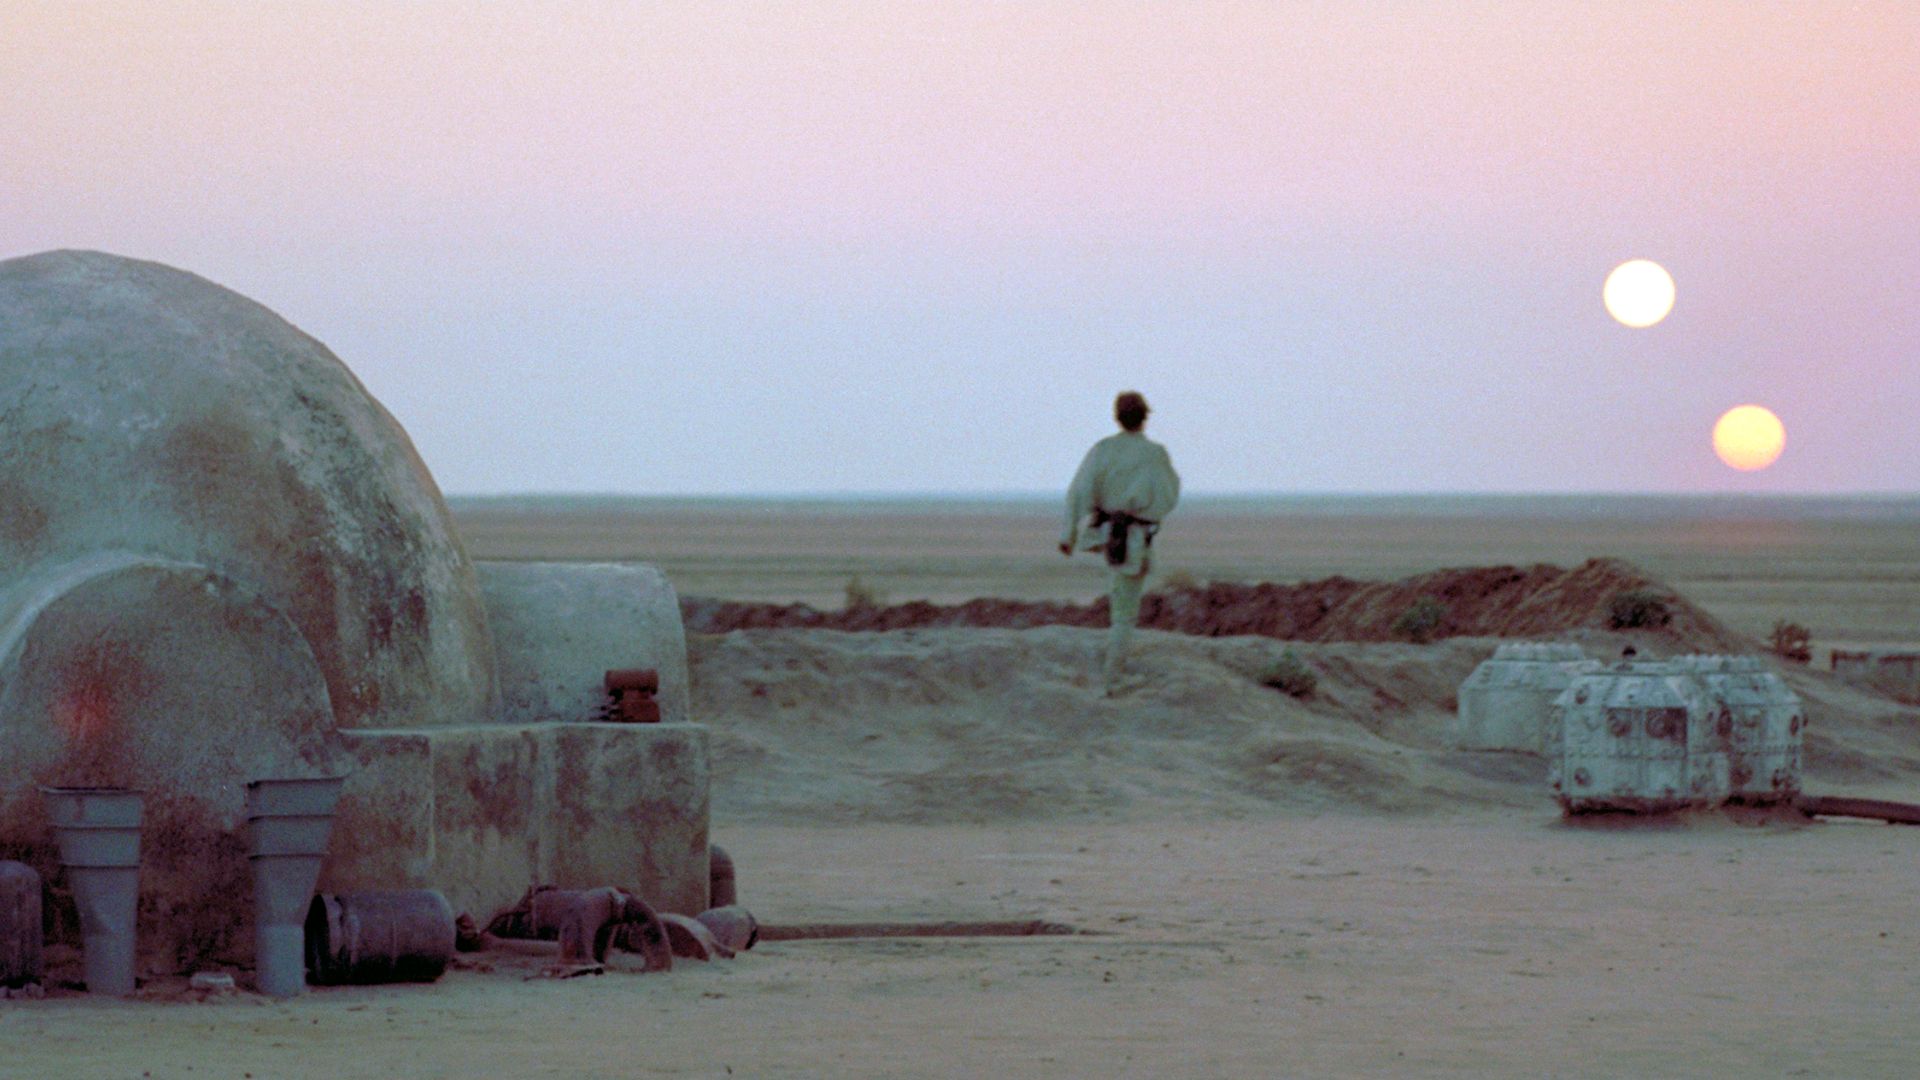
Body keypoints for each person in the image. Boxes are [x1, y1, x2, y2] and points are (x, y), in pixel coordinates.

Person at [1059, 390, 1180, 693]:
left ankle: (1114, 673)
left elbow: (1079, 492)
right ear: (1145, 418)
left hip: (1112, 535)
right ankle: (1113, 681)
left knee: (1122, 604)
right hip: (1131, 539)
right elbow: (1168, 495)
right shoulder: (1154, 454)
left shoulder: (1103, 450)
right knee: (1124, 613)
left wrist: (1068, 533)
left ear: (1117, 417)